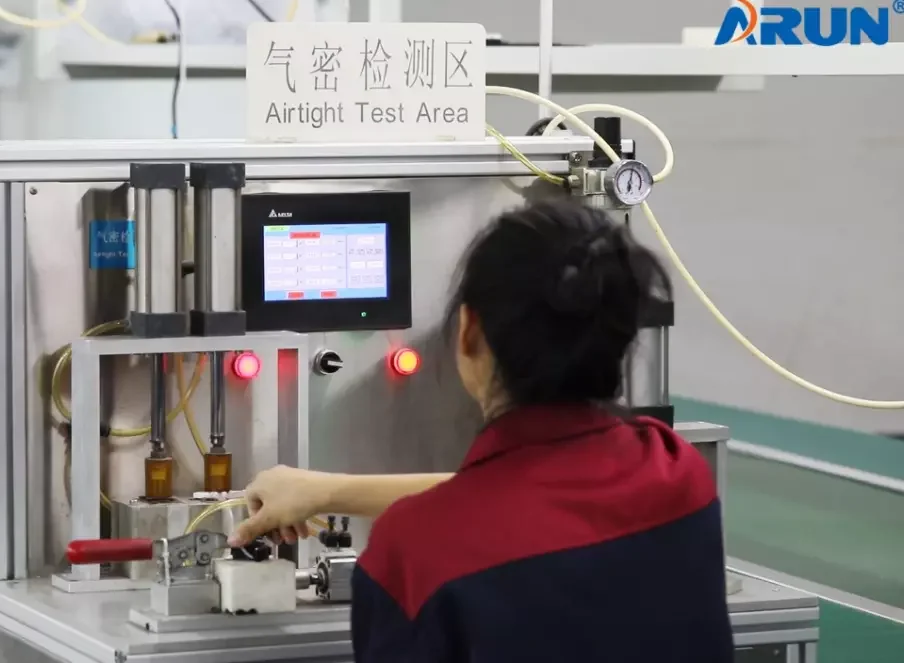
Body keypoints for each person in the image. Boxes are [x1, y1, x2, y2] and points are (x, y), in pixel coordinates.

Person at [229, 197, 734, 662]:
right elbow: (531, 498)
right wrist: (326, 491)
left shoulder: (414, 557)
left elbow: (499, 503)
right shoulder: (677, 473)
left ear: (469, 332)